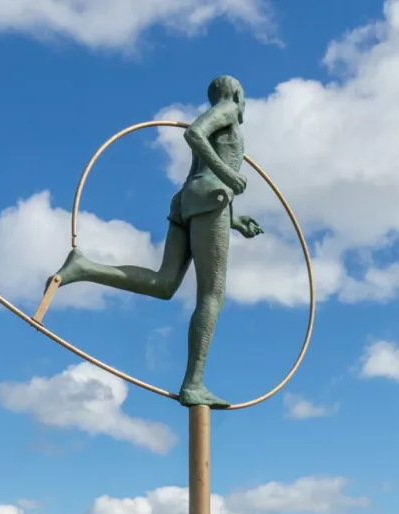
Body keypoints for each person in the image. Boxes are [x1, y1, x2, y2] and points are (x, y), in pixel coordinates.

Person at [51, 75, 262, 409]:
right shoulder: (227, 109)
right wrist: (229, 175)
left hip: (190, 200)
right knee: (212, 293)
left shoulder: (226, 121)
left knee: (164, 284)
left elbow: (200, 165)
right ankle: (193, 384)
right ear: (236, 92)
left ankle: (85, 268)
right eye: (243, 95)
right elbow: (193, 133)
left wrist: (233, 219)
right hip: (211, 197)